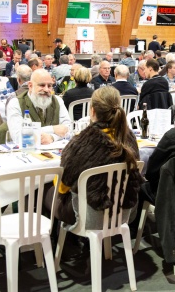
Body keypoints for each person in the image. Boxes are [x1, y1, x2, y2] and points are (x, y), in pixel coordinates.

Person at [47, 86, 142, 226]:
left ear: (92, 110)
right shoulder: (128, 137)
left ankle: (59, 243)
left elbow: (62, 187)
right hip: (124, 211)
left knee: (43, 191)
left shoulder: (82, 142)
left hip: (90, 215)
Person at [5, 69, 70, 144]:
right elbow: (18, 137)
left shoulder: (58, 100)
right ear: (30, 86)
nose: (46, 89)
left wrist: (52, 137)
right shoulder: (15, 103)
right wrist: (52, 129)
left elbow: (68, 129)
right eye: (42, 85)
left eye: (49, 86)